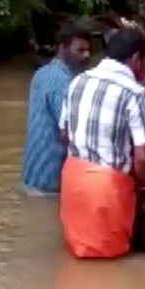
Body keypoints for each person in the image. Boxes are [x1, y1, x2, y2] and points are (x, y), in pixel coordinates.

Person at [59, 28, 145, 259]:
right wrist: (140, 186)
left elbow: (64, 133)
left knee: (78, 256)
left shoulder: (77, 81)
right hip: (107, 187)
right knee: (110, 261)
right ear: (137, 59)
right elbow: (143, 157)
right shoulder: (136, 93)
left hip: (72, 181)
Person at [20, 23, 91, 195]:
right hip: (51, 179)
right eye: (80, 50)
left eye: (88, 50)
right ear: (63, 48)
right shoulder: (65, 83)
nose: (86, 56)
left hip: (31, 173)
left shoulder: (41, 74)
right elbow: (70, 131)